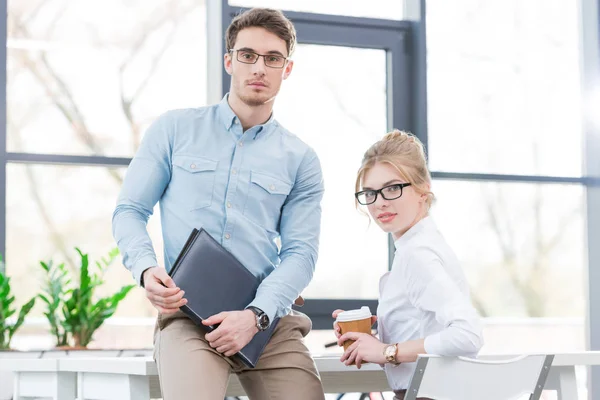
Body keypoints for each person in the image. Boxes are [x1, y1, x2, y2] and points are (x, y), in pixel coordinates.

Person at [112, 8, 326, 400]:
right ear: (229, 61)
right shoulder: (174, 129)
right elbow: (129, 211)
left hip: (267, 322)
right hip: (189, 316)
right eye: (248, 55)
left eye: (272, 58)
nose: (259, 67)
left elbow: (301, 253)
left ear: (287, 69)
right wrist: (145, 269)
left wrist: (256, 316)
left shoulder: (301, 159)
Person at [332, 130, 483, 400]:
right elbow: (428, 328)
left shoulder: (417, 253)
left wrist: (386, 351)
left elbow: (467, 335)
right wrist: (375, 340)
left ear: (422, 188)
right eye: (370, 193)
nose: (379, 203)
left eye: (392, 188)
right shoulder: (422, 244)